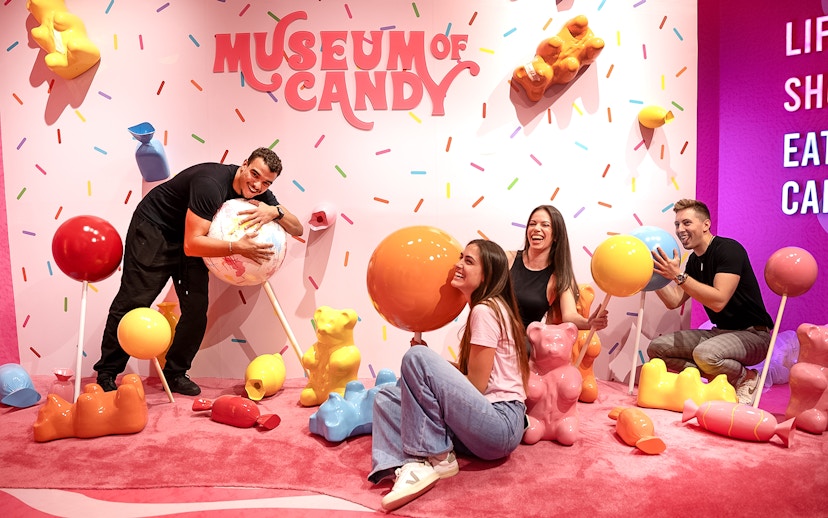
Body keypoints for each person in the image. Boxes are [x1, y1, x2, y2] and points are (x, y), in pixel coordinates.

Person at [93, 147, 303, 396]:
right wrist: (237, 247)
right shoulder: (210, 183)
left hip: (191, 239)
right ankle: (106, 373)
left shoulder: (261, 193)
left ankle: (175, 375)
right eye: (255, 174)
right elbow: (192, 245)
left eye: (266, 182)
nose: (257, 185)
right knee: (134, 301)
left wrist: (276, 211)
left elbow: (297, 228)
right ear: (244, 164)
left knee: (196, 309)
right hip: (155, 230)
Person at [368, 239, 529, 511]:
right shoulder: (488, 309)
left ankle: (436, 457)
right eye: (461, 257)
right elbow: (475, 379)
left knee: (415, 358)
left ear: (487, 274)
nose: (458, 264)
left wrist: (426, 363)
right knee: (386, 396)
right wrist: (433, 367)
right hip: (486, 424)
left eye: (469, 261)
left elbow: (477, 386)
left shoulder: (485, 310)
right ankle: (411, 466)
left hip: (500, 424)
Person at [648, 199, 773, 405]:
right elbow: (674, 301)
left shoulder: (729, 249)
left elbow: (718, 300)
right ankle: (715, 378)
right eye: (677, 224)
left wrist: (678, 275)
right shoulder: (694, 261)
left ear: (706, 224)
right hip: (719, 333)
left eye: (686, 223)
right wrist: (653, 277)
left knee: (705, 354)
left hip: (754, 335)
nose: (680, 230)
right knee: (657, 348)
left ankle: (746, 377)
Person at [507, 205, 607, 331]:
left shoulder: (559, 276)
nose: (536, 228)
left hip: (520, 342)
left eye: (545, 225)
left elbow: (569, 315)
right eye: (532, 224)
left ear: (555, 236)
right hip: (489, 333)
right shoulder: (507, 259)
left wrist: (589, 323)